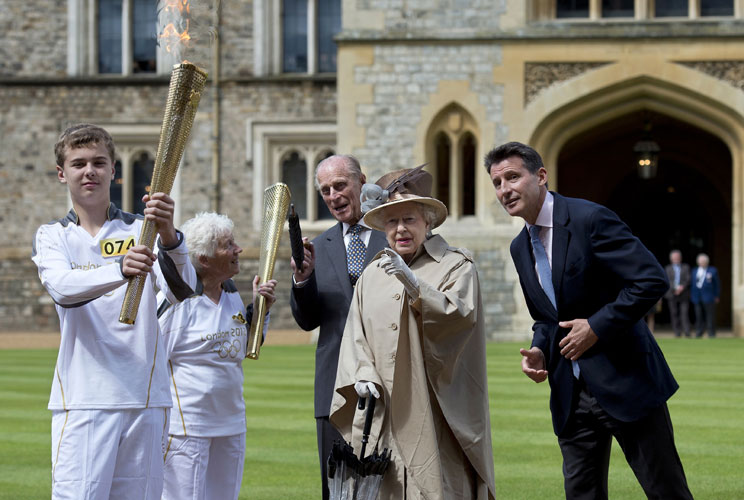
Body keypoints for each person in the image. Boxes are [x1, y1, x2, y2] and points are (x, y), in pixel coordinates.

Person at [485, 141, 692, 500]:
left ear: (541, 176)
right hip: (570, 393)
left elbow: (651, 280)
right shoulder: (519, 247)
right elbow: (547, 318)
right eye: (497, 183)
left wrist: (596, 327)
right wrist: (539, 349)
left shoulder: (589, 219)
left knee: (666, 492)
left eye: (513, 177)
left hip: (627, 381)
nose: (505, 190)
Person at [31, 123, 196, 499]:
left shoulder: (144, 229)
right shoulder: (53, 236)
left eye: (99, 163)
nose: (89, 171)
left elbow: (182, 290)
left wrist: (170, 237)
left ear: (113, 170)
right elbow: (62, 288)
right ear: (62, 174)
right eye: (78, 164)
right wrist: (120, 269)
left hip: (145, 397)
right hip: (85, 398)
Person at [330, 167, 496, 499]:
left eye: (409, 219)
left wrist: (415, 285)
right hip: (383, 413)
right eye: (392, 222)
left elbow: (459, 320)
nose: (400, 229)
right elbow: (355, 334)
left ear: (428, 222)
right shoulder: (372, 274)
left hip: (434, 416)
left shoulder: (457, 267)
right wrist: (361, 372)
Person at [157, 212, 277, 500]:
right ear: (204, 259)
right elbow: (153, 358)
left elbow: (245, 348)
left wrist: (261, 311)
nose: (238, 250)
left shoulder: (232, 293)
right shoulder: (179, 300)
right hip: (188, 426)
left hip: (231, 419)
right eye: (228, 245)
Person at [289, 155, 388, 499]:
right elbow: (307, 320)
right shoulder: (318, 247)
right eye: (325, 190)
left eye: (340, 186)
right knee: (337, 490)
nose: (333, 195)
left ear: (362, 180)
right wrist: (302, 280)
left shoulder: (396, 235)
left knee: (390, 488)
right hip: (335, 389)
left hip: (391, 383)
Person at [691, 252, 720, 338]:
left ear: (707, 262)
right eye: (701, 261)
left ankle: (711, 333)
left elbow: (717, 284)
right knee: (698, 315)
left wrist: (716, 295)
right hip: (697, 297)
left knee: (710, 316)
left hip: (709, 297)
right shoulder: (694, 271)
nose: (702, 263)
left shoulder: (712, 270)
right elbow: (692, 284)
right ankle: (699, 332)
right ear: (698, 262)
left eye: (704, 261)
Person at [665, 249, 691, 337]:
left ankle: (687, 332)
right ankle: (677, 332)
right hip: (672, 294)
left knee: (684, 313)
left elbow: (688, 279)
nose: (676, 259)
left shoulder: (685, 267)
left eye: (678, 257)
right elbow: (667, 280)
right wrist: (674, 288)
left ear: (680, 258)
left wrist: (681, 287)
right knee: (674, 313)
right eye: (674, 257)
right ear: (671, 259)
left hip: (684, 294)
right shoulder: (667, 268)